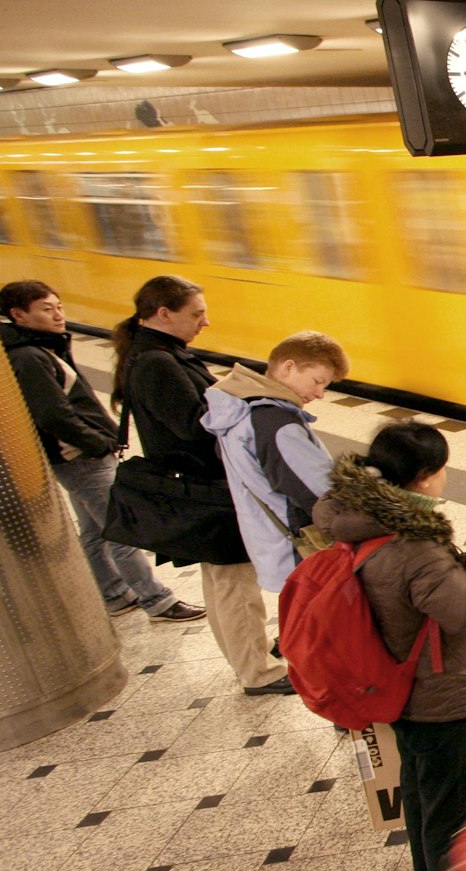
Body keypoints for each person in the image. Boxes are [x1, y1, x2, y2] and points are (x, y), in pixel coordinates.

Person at [311, 422, 466, 871]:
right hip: (436, 690)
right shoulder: (414, 546)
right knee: (450, 798)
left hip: (390, 678)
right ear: (426, 478)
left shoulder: (355, 514)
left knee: (419, 778)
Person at [112, 275, 286, 691]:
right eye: (197, 313)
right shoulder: (157, 363)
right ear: (164, 314)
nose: (204, 322)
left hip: (201, 485)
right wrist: (236, 396)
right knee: (234, 581)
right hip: (207, 488)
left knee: (223, 578)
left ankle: (250, 655)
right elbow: (194, 427)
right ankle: (259, 672)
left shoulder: (158, 354)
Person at [2, 280, 202, 622]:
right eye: (47, 310)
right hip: (80, 457)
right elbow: (54, 414)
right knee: (121, 526)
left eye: (59, 306)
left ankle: (113, 594)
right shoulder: (30, 356)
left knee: (94, 529)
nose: (58, 315)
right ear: (18, 315)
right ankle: (158, 600)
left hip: (76, 457)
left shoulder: (39, 348)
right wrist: (97, 443)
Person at [201, 332, 347, 592]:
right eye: (317, 381)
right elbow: (320, 495)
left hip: (272, 544)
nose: (320, 393)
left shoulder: (239, 409)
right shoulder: (276, 424)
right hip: (301, 553)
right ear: (288, 367)